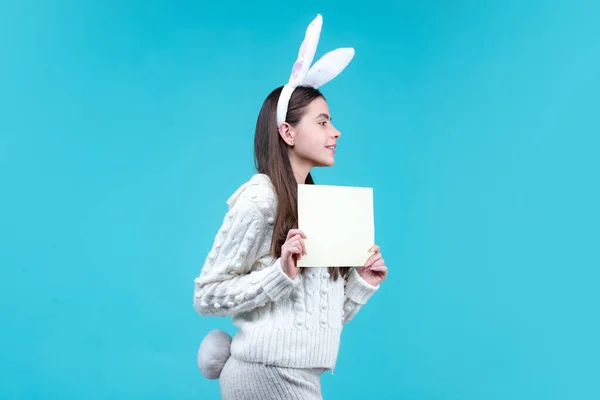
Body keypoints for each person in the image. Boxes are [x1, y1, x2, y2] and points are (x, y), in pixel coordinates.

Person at [193, 14, 388, 400]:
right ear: (287, 131)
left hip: (301, 376)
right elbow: (206, 295)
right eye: (322, 122)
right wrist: (278, 274)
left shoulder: (323, 207)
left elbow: (318, 320)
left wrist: (361, 283)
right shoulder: (260, 199)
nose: (336, 132)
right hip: (264, 373)